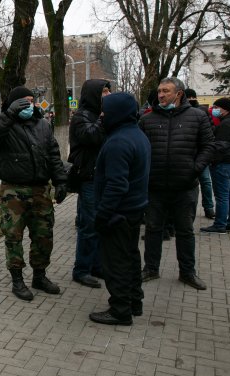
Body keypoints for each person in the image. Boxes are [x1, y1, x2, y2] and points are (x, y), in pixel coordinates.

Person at [0, 87, 68, 301]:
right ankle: (17, 280)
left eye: (31, 101)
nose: (29, 105)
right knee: (14, 236)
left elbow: (54, 155)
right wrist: (8, 115)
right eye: (23, 102)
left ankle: (39, 276)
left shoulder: (43, 125)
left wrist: (60, 180)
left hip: (41, 190)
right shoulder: (5, 125)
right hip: (14, 191)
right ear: (13, 104)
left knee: (43, 236)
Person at [139, 77, 215, 290]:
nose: (161, 95)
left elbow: (209, 146)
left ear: (179, 93)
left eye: (166, 91)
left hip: (185, 187)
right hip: (155, 188)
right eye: (160, 91)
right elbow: (140, 150)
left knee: (185, 231)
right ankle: (150, 268)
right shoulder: (148, 119)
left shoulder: (198, 117)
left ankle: (187, 272)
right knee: (153, 229)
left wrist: (195, 168)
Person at [89, 92, 151, 326]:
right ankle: (134, 301)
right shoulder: (137, 135)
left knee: (116, 264)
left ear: (118, 112)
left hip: (118, 215)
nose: (102, 115)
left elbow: (116, 184)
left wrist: (103, 215)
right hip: (133, 211)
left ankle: (120, 310)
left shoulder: (118, 142)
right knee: (131, 259)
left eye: (105, 111)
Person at [67, 79, 111, 289]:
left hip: (102, 176)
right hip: (89, 178)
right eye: (103, 92)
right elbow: (91, 137)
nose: (107, 96)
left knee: (100, 223)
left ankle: (96, 265)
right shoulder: (81, 116)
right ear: (93, 94)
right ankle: (81, 270)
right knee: (89, 224)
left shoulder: (96, 116)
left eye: (108, 92)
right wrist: (103, 119)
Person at [200, 98, 230, 234]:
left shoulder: (227, 124)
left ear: (223, 109)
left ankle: (220, 225)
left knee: (222, 196)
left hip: (224, 164)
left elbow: (221, 146)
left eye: (216, 107)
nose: (214, 110)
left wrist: (212, 159)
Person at [185, 88, 215, 219]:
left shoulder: (202, 112)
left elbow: (210, 131)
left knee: (205, 182)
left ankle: (208, 208)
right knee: (204, 182)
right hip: (187, 153)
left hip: (199, 154)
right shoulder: (180, 111)